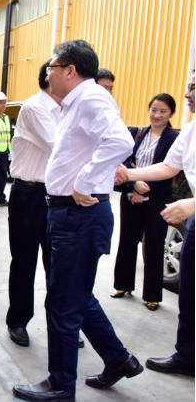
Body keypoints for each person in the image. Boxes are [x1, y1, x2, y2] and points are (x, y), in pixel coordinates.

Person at [13, 40, 142, 402]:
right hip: (66, 212)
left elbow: (119, 140)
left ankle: (60, 385)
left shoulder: (90, 97)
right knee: (75, 297)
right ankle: (118, 360)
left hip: (79, 213)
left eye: (52, 66)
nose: (47, 72)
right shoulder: (74, 103)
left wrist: (85, 181)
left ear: (69, 70)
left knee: (63, 304)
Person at [117, 71, 195, 377]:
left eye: (194, 88)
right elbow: (167, 167)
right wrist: (128, 175)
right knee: (189, 293)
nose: (188, 94)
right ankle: (188, 356)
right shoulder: (190, 131)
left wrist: (191, 204)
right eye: (189, 87)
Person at [6, 60, 60, 347]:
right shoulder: (35, 107)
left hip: (57, 196)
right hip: (29, 195)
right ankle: (18, 320)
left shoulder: (65, 110)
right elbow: (60, 146)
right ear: (50, 78)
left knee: (57, 266)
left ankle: (61, 326)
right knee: (25, 262)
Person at [111, 94, 179, 311]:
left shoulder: (174, 138)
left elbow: (169, 170)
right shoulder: (137, 133)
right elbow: (124, 160)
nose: (157, 115)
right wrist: (134, 184)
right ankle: (123, 285)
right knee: (127, 240)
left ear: (171, 114)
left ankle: (152, 295)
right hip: (132, 194)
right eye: (154, 110)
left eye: (163, 111)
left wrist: (144, 187)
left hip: (157, 198)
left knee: (154, 244)